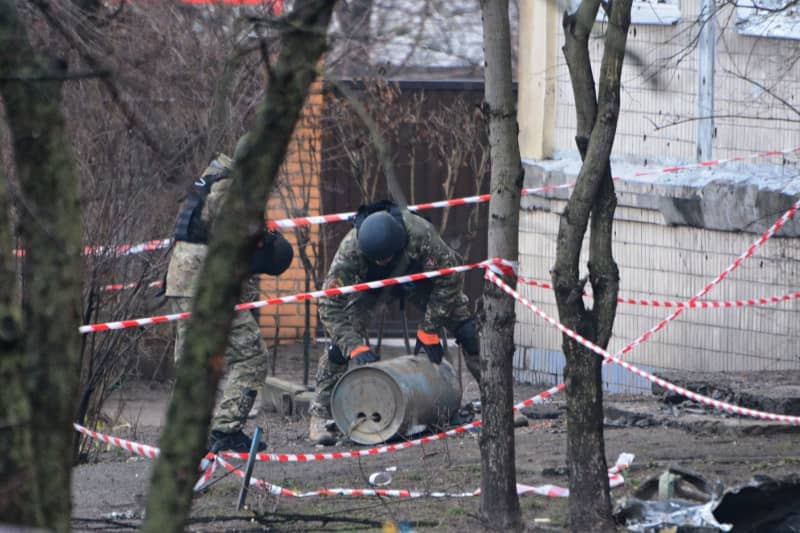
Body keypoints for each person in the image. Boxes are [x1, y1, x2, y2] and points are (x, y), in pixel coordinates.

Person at [308, 200, 482, 446]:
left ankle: (500, 403)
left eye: (385, 257)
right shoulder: (351, 250)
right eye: (376, 258)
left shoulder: (420, 234)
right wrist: (353, 345)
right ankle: (319, 417)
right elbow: (328, 305)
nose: (381, 261)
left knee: (469, 333)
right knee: (337, 348)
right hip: (371, 288)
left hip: (417, 280)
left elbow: (449, 279)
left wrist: (430, 329)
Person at [165, 135, 294, 453]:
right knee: (251, 357)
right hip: (206, 281)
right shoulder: (231, 187)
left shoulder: (215, 175)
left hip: (183, 278)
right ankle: (225, 431)